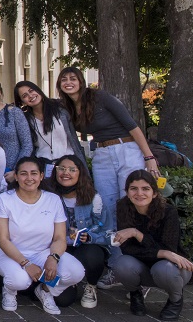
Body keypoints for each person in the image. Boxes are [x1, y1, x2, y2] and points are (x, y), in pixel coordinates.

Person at [57, 66, 160, 236]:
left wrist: (148, 157)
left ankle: (141, 245)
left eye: (73, 78)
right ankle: (116, 254)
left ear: (81, 81)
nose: (68, 82)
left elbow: (132, 126)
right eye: (64, 79)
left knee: (131, 197)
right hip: (101, 154)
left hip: (126, 149)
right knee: (107, 203)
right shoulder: (66, 108)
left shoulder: (100, 97)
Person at [0, 157, 86, 315]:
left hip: (42, 251)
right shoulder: (4, 200)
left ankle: (45, 290)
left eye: (34, 173)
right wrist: (26, 264)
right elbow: (3, 240)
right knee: (20, 280)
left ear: (41, 176)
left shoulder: (52, 200)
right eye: (23, 173)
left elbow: (59, 238)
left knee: (76, 272)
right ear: (16, 176)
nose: (29, 178)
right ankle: (9, 289)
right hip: (9, 252)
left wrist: (53, 258)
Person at [112, 170, 193, 321]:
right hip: (142, 267)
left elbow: (169, 249)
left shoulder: (169, 212)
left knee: (163, 268)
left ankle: (175, 300)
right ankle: (135, 294)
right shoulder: (123, 207)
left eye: (145, 188)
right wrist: (162, 252)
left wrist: (137, 234)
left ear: (155, 193)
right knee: (122, 264)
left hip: (172, 269)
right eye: (134, 188)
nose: (139, 193)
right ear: (127, 192)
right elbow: (127, 249)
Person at [43, 155, 110, 309]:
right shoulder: (48, 196)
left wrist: (90, 236)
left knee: (92, 256)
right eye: (62, 169)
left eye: (72, 170)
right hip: (58, 248)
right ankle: (70, 282)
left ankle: (91, 285)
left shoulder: (93, 197)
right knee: (63, 301)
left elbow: (105, 229)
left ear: (80, 173)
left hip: (85, 248)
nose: (66, 173)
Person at [14, 80, 86, 168]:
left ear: (38, 90)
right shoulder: (25, 119)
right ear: (22, 102)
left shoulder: (60, 109)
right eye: (25, 96)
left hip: (69, 162)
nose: (30, 96)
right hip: (43, 164)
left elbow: (74, 139)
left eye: (31, 90)